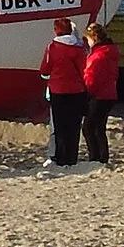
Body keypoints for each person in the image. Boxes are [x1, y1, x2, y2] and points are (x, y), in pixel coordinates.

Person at [39, 16, 88, 167]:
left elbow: (45, 69)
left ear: (56, 31)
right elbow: (83, 69)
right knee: (73, 125)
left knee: (59, 125)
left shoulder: (53, 47)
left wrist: (49, 77)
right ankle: (71, 157)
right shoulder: (79, 48)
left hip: (58, 89)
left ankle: (59, 157)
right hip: (77, 90)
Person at [81, 21, 120, 166]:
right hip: (109, 94)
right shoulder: (110, 53)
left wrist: (86, 94)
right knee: (99, 127)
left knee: (88, 128)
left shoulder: (97, 57)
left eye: (88, 39)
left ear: (94, 39)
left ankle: (95, 157)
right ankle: (102, 157)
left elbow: (92, 78)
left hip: (98, 95)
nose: (88, 42)